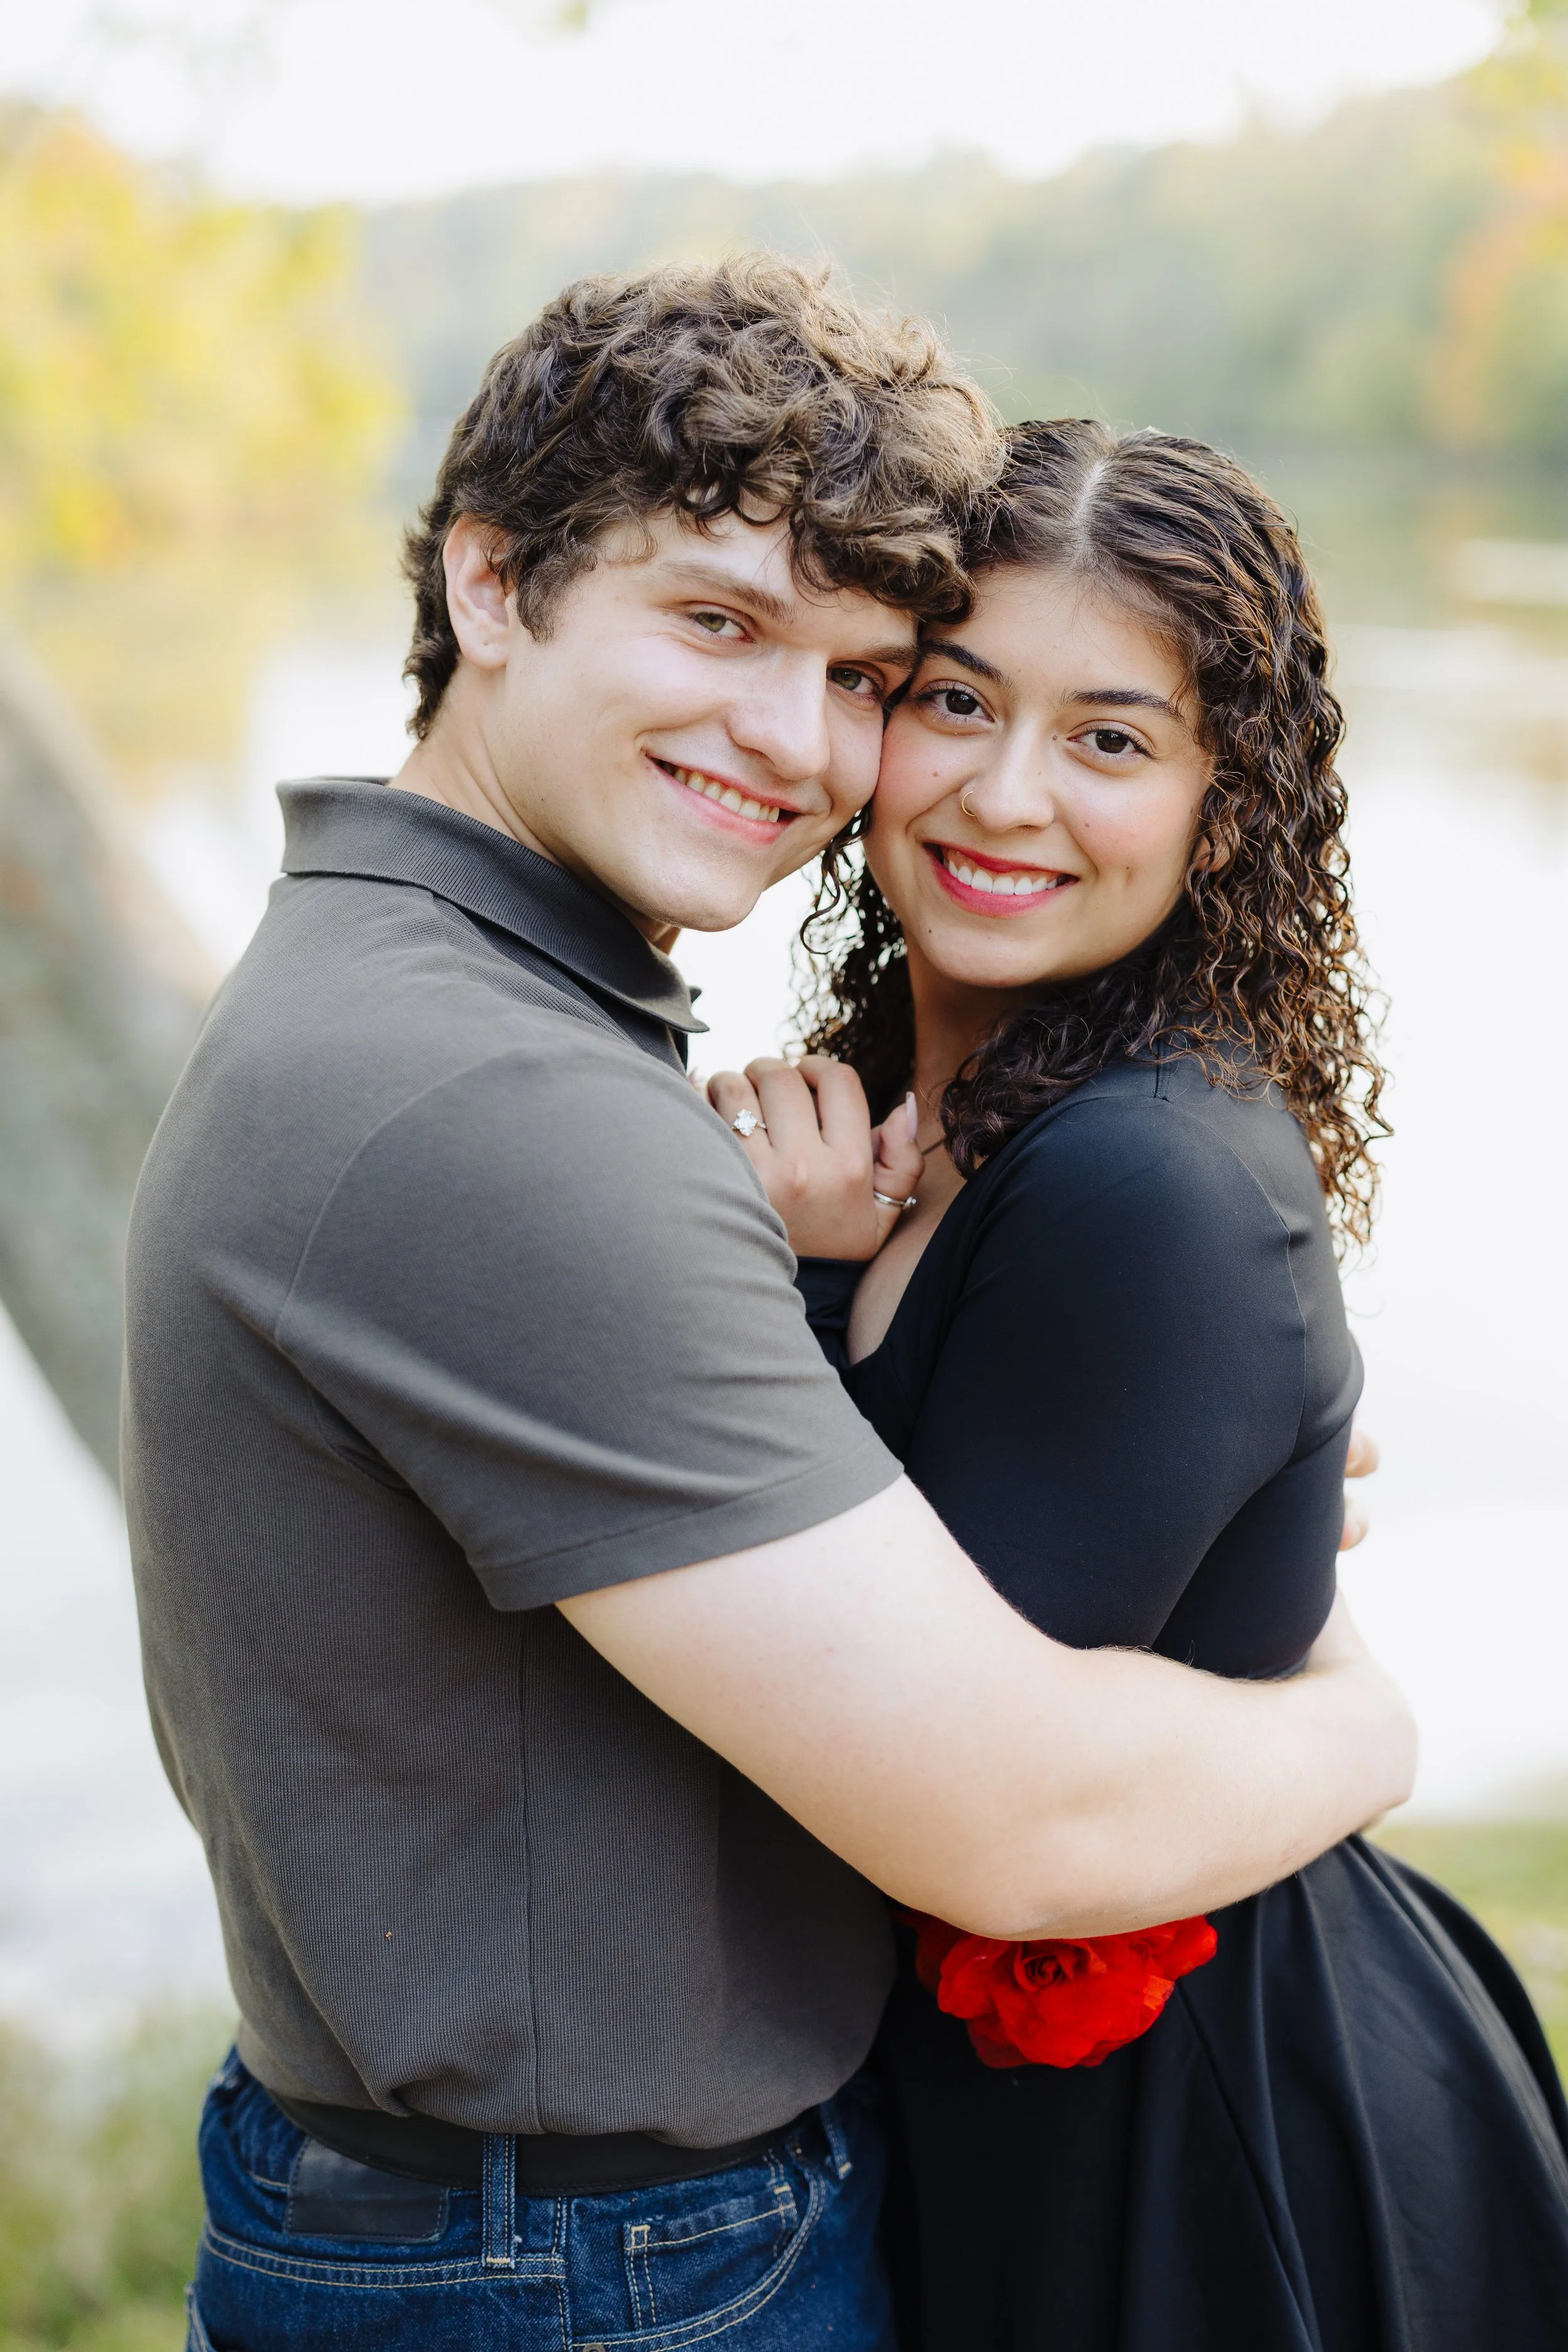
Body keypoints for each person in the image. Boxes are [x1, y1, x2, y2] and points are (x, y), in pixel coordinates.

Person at [123, 267, 1414, 2352]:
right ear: (489, 581)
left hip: (526, 2218)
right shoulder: (496, 1102)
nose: (792, 742)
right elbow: (1012, 1815)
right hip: (587, 2265)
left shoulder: (438, 999)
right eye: (717, 623)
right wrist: (1360, 1715)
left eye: (853, 670)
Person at [711, 419, 1568, 2351]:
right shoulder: (925, 1105)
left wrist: (765, 1280)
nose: (1005, 795)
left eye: (1108, 737)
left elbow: (896, 1759)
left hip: (1200, 2160)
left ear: (1221, 804)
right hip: (1018, 2131)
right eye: (953, 700)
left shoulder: (1145, 1182)